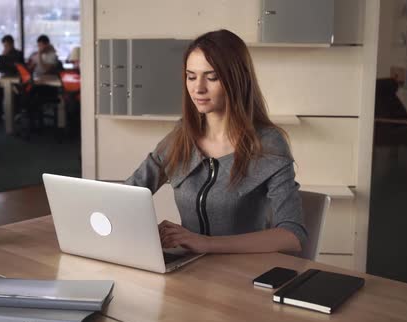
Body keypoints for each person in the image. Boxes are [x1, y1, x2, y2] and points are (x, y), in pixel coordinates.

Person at [125, 29, 306, 255]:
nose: (198, 88)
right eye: (191, 76)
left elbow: (292, 236)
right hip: (189, 269)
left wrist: (206, 243)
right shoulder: (182, 136)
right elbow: (128, 194)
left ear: (236, 79)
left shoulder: (268, 144)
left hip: (244, 274)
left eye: (212, 77)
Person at [0, 35, 24, 123]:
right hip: (5, 79)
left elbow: (16, 67)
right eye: (4, 46)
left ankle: (12, 115)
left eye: (7, 45)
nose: (5, 47)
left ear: (12, 44)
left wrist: (4, 57)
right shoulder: (4, 55)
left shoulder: (18, 54)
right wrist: (2, 57)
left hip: (16, 82)